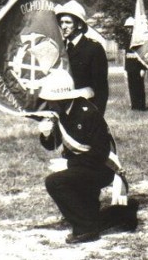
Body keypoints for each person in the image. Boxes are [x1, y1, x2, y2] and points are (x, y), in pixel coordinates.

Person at [36, 76, 135, 244]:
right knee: (91, 217)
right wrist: (46, 135)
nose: (49, 104)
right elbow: (54, 144)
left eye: (52, 100)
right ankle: (124, 213)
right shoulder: (62, 114)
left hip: (101, 168)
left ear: (64, 99)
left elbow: (100, 153)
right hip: (83, 167)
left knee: (54, 182)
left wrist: (68, 164)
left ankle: (85, 230)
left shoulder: (87, 113)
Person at [55, 0, 109, 115]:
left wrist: (96, 116)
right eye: (61, 22)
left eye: (68, 22)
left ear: (79, 24)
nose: (63, 26)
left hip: (84, 110)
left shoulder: (93, 48)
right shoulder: (60, 48)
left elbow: (100, 88)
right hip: (62, 109)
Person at [123, 17, 146, 110]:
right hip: (130, 66)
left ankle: (141, 106)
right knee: (131, 86)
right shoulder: (127, 38)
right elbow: (126, 54)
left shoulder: (139, 39)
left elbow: (142, 54)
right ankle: (134, 105)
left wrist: (143, 68)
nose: (128, 29)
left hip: (138, 66)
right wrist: (125, 68)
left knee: (139, 86)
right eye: (127, 27)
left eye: (130, 27)